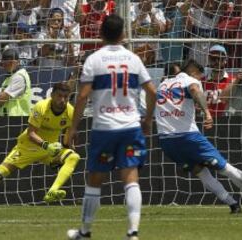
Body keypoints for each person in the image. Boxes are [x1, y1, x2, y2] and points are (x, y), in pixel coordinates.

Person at [66, 14, 157, 240]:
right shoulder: (134, 59)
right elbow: (153, 92)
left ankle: (85, 232)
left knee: (95, 180)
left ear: (100, 34)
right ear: (123, 34)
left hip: (104, 129)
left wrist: (73, 127)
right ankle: (133, 233)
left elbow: (83, 96)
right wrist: (147, 120)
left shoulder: (94, 60)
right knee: (131, 179)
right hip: (130, 127)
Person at [155, 59, 242, 214]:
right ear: (194, 72)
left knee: (201, 171)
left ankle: (233, 204)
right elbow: (193, 88)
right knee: (224, 168)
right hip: (187, 137)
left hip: (166, 141)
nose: (200, 81)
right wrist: (207, 113)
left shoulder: (163, 84)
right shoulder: (191, 80)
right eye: (200, 77)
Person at [0, 82, 81, 206]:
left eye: (66, 97)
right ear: (52, 94)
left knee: (73, 156)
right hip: (28, 146)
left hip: (49, 150)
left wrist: (66, 151)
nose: (62, 100)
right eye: (59, 96)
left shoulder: (71, 112)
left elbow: (68, 136)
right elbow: (31, 133)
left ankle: (52, 191)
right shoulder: (41, 106)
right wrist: (46, 145)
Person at [0, 48, 32, 116]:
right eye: (4, 63)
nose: (6, 65)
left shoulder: (19, 77)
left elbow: (0, 100)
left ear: (17, 62)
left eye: (10, 63)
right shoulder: (10, 77)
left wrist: (1, 95)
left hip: (16, 118)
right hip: (8, 117)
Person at [202, 44, 235, 117]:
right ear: (209, 60)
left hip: (227, 122)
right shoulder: (201, 82)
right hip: (206, 120)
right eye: (213, 58)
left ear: (225, 60)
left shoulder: (233, 81)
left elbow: (237, 104)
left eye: (220, 58)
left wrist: (230, 114)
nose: (217, 61)